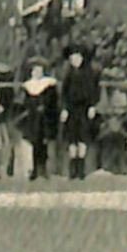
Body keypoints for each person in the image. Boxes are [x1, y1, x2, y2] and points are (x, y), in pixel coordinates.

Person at [60, 44, 100, 180]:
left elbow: (94, 91)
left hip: (84, 108)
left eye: (77, 58)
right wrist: (64, 108)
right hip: (71, 109)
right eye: (73, 58)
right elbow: (64, 93)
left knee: (83, 137)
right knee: (72, 138)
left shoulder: (89, 73)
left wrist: (92, 106)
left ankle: (81, 169)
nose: (75, 60)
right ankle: (73, 168)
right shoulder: (69, 74)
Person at [18, 58, 59, 180]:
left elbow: (53, 101)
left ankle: (44, 168)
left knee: (44, 143)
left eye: (39, 71)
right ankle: (34, 169)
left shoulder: (49, 85)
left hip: (45, 118)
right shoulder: (28, 86)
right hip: (33, 118)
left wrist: (45, 107)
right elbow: (24, 103)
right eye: (35, 71)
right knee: (34, 143)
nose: (37, 73)